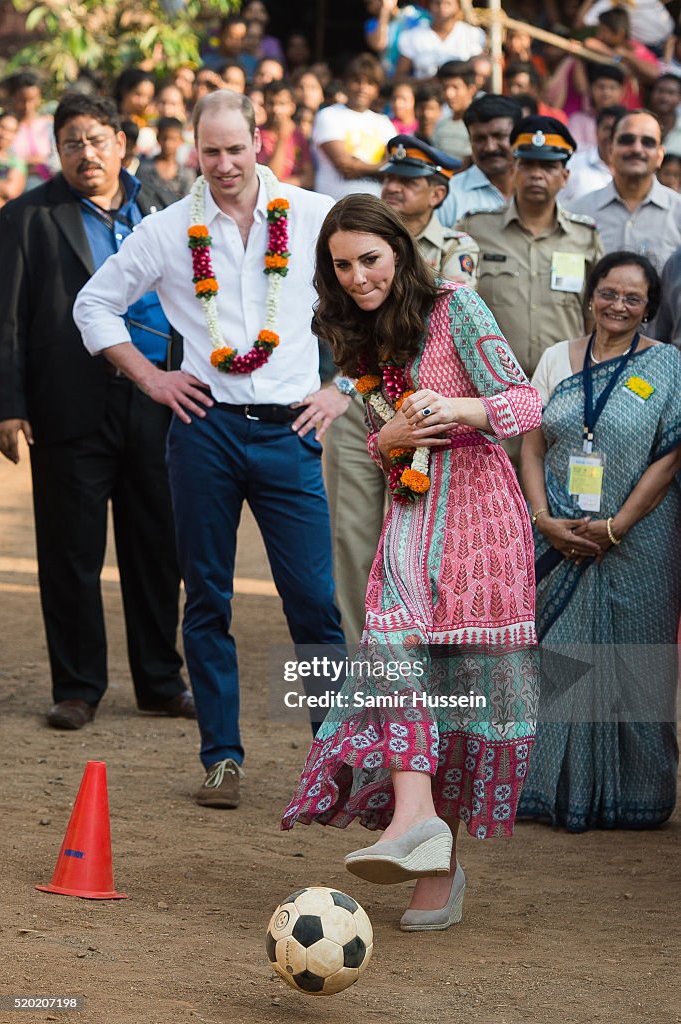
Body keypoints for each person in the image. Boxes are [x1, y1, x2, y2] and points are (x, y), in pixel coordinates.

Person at [73, 90, 348, 808]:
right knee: (207, 599)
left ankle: (336, 757)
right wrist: (152, 379)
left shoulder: (315, 215)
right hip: (205, 429)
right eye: (211, 151)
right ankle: (222, 758)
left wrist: (342, 387)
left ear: (262, 141)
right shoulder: (167, 231)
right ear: (195, 149)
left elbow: (380, 293)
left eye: (236, 148)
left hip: (292, 428)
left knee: (315, 602)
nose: (225, 164)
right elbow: (92, 305)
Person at [282, 194, 542, 930]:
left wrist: (453, 412)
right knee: (393, 649)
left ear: (398, 251)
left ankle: (440, 868)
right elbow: (380, 441)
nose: (359, 276)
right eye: (343, 265)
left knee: (457, 693)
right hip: (409, 517)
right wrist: (391, 434)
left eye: (370, 258)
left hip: (480, 522)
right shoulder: (353, 338)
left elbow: (527, 404)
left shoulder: (456, 307)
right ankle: (414, 818)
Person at [0, 92, 193, 730]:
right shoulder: (28, 217)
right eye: (72, 141)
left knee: (157, 546)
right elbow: (5, 319)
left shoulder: (165, 208)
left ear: (123, 144)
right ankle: (77, 686)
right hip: (68, 402)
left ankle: (161, 682)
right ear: (57, 150)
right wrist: (8, 404)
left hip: (159, 397)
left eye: (97, 139)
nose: (86, 153)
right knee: (71, 550)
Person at [518, 251, 681, 830]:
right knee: (562, 664)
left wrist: (618, 527)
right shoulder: (557, 358)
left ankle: (637, 795)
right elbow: (533, 443)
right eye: (609, 293)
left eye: (632, 298)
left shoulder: (668, 366)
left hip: (641, 543)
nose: (618, 305)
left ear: (649, 308)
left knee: (638, 665)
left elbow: (668, 459)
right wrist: (543, 518)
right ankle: (559, 793)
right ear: (591, 295)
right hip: (559, 533)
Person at [325, 136, 479, 644]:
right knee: (353, 539)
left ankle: (427, 676)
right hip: (360, 407)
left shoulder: (455, 250)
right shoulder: (343, 248)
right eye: (388, 177)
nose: (393, 186)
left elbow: (435, 334)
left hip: (429, 415)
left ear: (437, 192)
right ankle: (363, 668)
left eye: (408, 181)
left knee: (428, 548)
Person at [458, 116, 603, 378]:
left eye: (548, 166)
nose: (537, 174)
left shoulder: (585, 236)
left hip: (564, 379)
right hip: (493, 383)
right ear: (513, 171)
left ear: (565, 176)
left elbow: (593, 314)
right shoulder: (476, 228)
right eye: (527, 165)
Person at [565, 109, 681, 273]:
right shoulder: (577, 214)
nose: (637, 149)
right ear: (610, 150)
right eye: (627, 140)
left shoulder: (678, 214)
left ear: (660, 155)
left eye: (648, 142)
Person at [312, 54, 394, 200]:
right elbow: (345, 166)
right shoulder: (328, 115)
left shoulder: (384, 122)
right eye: (356, 81)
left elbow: (394, 166)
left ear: (377, 90)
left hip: (374, 208)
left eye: (370, 83)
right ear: (345, 83)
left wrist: (359, 165)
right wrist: (381, 167)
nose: (362, 88)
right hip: (334, 207)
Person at [436, 94, 522, 228]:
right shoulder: (450, 196)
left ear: (518, 137)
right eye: (480, 139)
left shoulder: (536, 188)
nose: (490, 147)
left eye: (499, 136)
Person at [396, 0, 486, 80]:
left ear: (458, 6)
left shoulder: (474, 34)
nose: (442, 8)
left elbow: (480, 73)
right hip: (426, 94)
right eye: (437, 3)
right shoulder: (413, 36)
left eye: (448, 3)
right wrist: (427, 83)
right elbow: (400, 75)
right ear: (429, 6)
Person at [558, 104, 625, 204]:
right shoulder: (573, 165)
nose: (612, 135)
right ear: (597, 131)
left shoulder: (635, 169)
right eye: (607, 128)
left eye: (617, 129)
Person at [5, 71, 57, 191]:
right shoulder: (5, 128)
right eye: (22, 100)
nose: (28, 106)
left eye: (32, 100)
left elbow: (56, 160)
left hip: (51, 187)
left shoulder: (49, 125)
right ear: (13, 98)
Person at [257, 79, 313, 188]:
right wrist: (282, 137)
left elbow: (309, 179)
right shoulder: (255, 134)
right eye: (271, 103)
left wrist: (279, 185)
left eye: (282, 104)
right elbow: (267, 179)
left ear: (292, 107)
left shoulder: (298, 135)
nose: (276, 109)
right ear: (263, 105)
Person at [136, 117, 196, 198]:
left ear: (181, 140)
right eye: (164, 138)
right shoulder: (145, 167)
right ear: (158, 138)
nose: (168, 144)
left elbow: (189, 201)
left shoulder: (187, 174)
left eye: (173, 139)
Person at [431, 60, 477, 162]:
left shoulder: (479, 126)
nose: (449, 94)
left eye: (455, 87)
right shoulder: (440, 125)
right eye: (445, 87)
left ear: (471, 89)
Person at [0, 110, 26, 208]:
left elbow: (10, 190)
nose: (4, 134)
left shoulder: (16, 161)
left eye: (11, 131)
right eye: (2, 127)